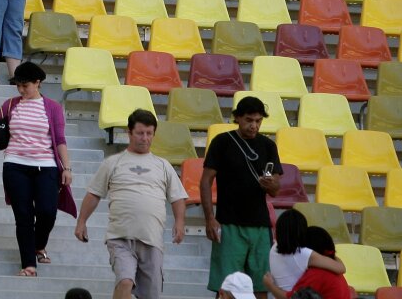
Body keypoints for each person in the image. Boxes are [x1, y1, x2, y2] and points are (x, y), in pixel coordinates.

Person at [0, 61, 73, 279]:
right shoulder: (9, 105)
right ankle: (28, 263)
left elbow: (60, 140)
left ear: (38, 83)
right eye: (18, 85)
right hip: (15, 165)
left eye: (25, 85)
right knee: (23, 216)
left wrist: (66, 167)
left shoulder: (53, 107)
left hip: (46, 166)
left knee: (47, 211)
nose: (21, 90)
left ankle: (38, 244)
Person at [74, 109, 188, 299]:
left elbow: (177, 198)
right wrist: (81, 222)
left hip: (152, 239)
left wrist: (180, 223)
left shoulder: (163, 165)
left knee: (150, 295)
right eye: (140, 133)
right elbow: (94, 193)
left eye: (149, 133)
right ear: (129, 132)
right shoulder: (113, 162)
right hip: (120, 237)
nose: (145, 138)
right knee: (125, 281)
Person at [201, 96, 282, 297]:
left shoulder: (268, 146)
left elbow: (275, 190)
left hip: (260, 225)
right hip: (229, 223)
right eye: (248, 120)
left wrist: (271, 184)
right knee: (227, 287)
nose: (253, 125)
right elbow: (205, 181)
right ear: (237, 117)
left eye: (258, 120)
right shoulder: (222, 142)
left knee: (261, 286)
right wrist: (210, 218)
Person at [266, 210, 346, 295]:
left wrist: (270, 284)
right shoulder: (304, 254)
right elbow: (341, 268)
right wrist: (330, 255)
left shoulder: (274, 249)